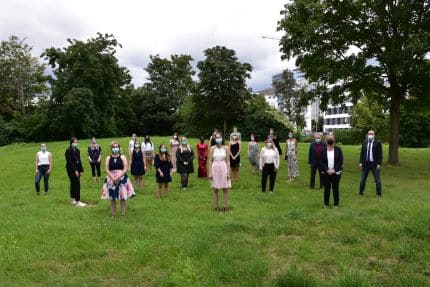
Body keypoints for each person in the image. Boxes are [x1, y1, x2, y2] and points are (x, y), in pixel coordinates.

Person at [101, 141, 135, 217]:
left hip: (122, 178)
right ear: (111, 148)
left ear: (119, 148)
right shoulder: (108, 158)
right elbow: (106, 169)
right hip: (111, 178)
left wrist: (118, 177)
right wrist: (113, 178)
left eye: (116, 147)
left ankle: (123, 214)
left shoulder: (123, 157)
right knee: (112, 198)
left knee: (123, 197)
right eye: (114, 147)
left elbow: (125, 168)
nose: (115, 148)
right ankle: (113, 214)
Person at [207, 132, 231, 212]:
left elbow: (228, 161)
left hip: (223, 167)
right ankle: (215, 206)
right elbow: (210, 161)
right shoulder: (212, 148)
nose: (218, 139)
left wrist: (228, 172)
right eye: (216, 137)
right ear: (214, 139)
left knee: (225, 188)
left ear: (222, 138)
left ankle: (225, 206)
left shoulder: (226, 148)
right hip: (215, 167)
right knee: (215, 189)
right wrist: (210, 173)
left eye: (219, 137)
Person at [319, 134, 343, 208]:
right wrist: (327, 170)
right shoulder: (323, 150)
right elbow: (321, 162)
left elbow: (340, 161)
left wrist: (334, 170)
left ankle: (336, 204)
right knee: (327, 189)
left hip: (336, 173)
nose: (330, 140)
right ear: (326, 140)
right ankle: (326, 203)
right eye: (329, 139)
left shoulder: (338, 149)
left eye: (331, 138)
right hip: (326, 173)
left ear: (334, 140)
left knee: (335, 188)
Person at [359, 130, 383, 197]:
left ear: (374, 135)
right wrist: (360, 162)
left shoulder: (378, 143)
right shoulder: (364, 142)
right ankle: (361, 192)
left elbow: (380, 155)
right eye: (369, 134)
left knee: (377, 180)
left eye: (372, 134)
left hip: (374, 164)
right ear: (367, 135)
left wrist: (379, 164)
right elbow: (362, 154)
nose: (370, 135)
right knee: (362, 179)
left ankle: (378, 194)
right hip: (365, 164)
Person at [65, 137, 86, 207]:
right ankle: (77, 201)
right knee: (77, 184)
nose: (76, 143)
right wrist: (75, 170)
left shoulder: (77, 150)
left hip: (77, 169)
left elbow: (79, 161)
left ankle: (73, 199)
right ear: (71, 143)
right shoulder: (68, 151)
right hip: (71, 170)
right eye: (75, 142)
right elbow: (69, 162)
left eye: (77, 142)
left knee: (73, 184)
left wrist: (81, 170)